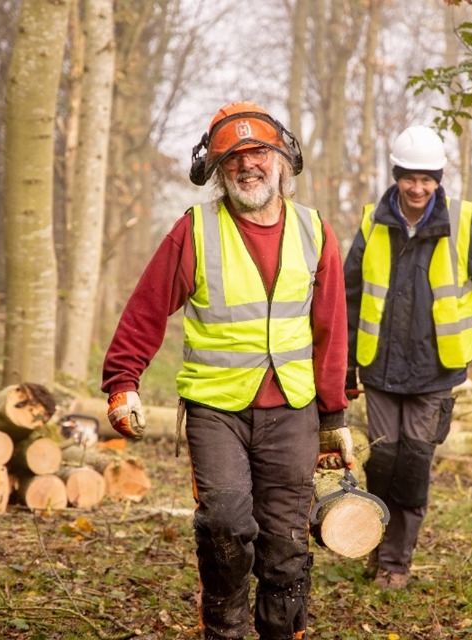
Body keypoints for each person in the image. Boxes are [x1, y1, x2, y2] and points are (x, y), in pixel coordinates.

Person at [102, 101, 353, 640]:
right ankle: (225, 629)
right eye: (233, 158)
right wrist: (122, 382)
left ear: (282, 161)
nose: (247, 165)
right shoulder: (195, 230)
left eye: (258, 152)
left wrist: (335, 417)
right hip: (218, 412)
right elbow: (146, 309)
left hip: (293, 412)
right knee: (225, 525)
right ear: (217, 171)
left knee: (286, 546)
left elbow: (331, 330)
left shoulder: (315, 231)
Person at [342, 124, 472, 590]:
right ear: (396, 176)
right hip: (378, 368)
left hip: (434, 372)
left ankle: (396, 563)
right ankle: (375, 545)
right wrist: (342, 367)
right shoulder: (372, 223)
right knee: (382, 463)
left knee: (413, 467)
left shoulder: (459, 221)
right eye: (409, 178)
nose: (418, 188)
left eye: (427, 179)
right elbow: (349, 296)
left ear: (439, 179)